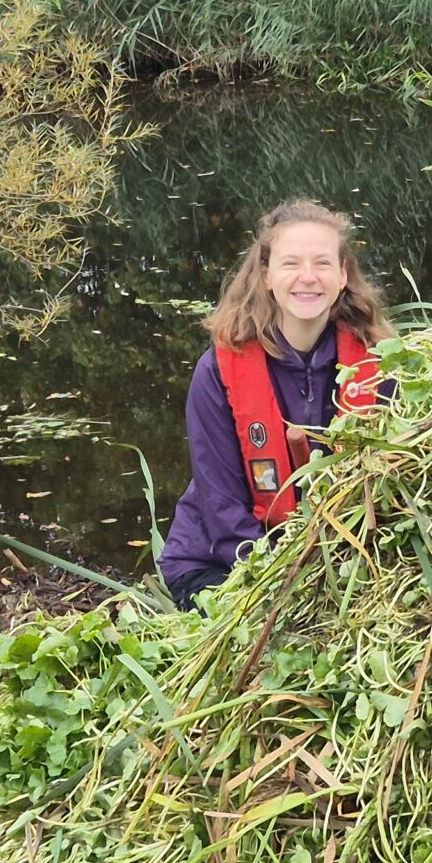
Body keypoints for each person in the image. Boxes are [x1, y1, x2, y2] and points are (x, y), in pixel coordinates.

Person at [159, 200, 390, 609]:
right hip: (221, 560)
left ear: (342, 276)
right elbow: (220, 501)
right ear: (266, 277)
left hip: (335, 560)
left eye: (322, 263)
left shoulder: (379, 366)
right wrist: (283, 581)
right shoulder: (216, 372)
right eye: (290, 264)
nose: (307, 278)